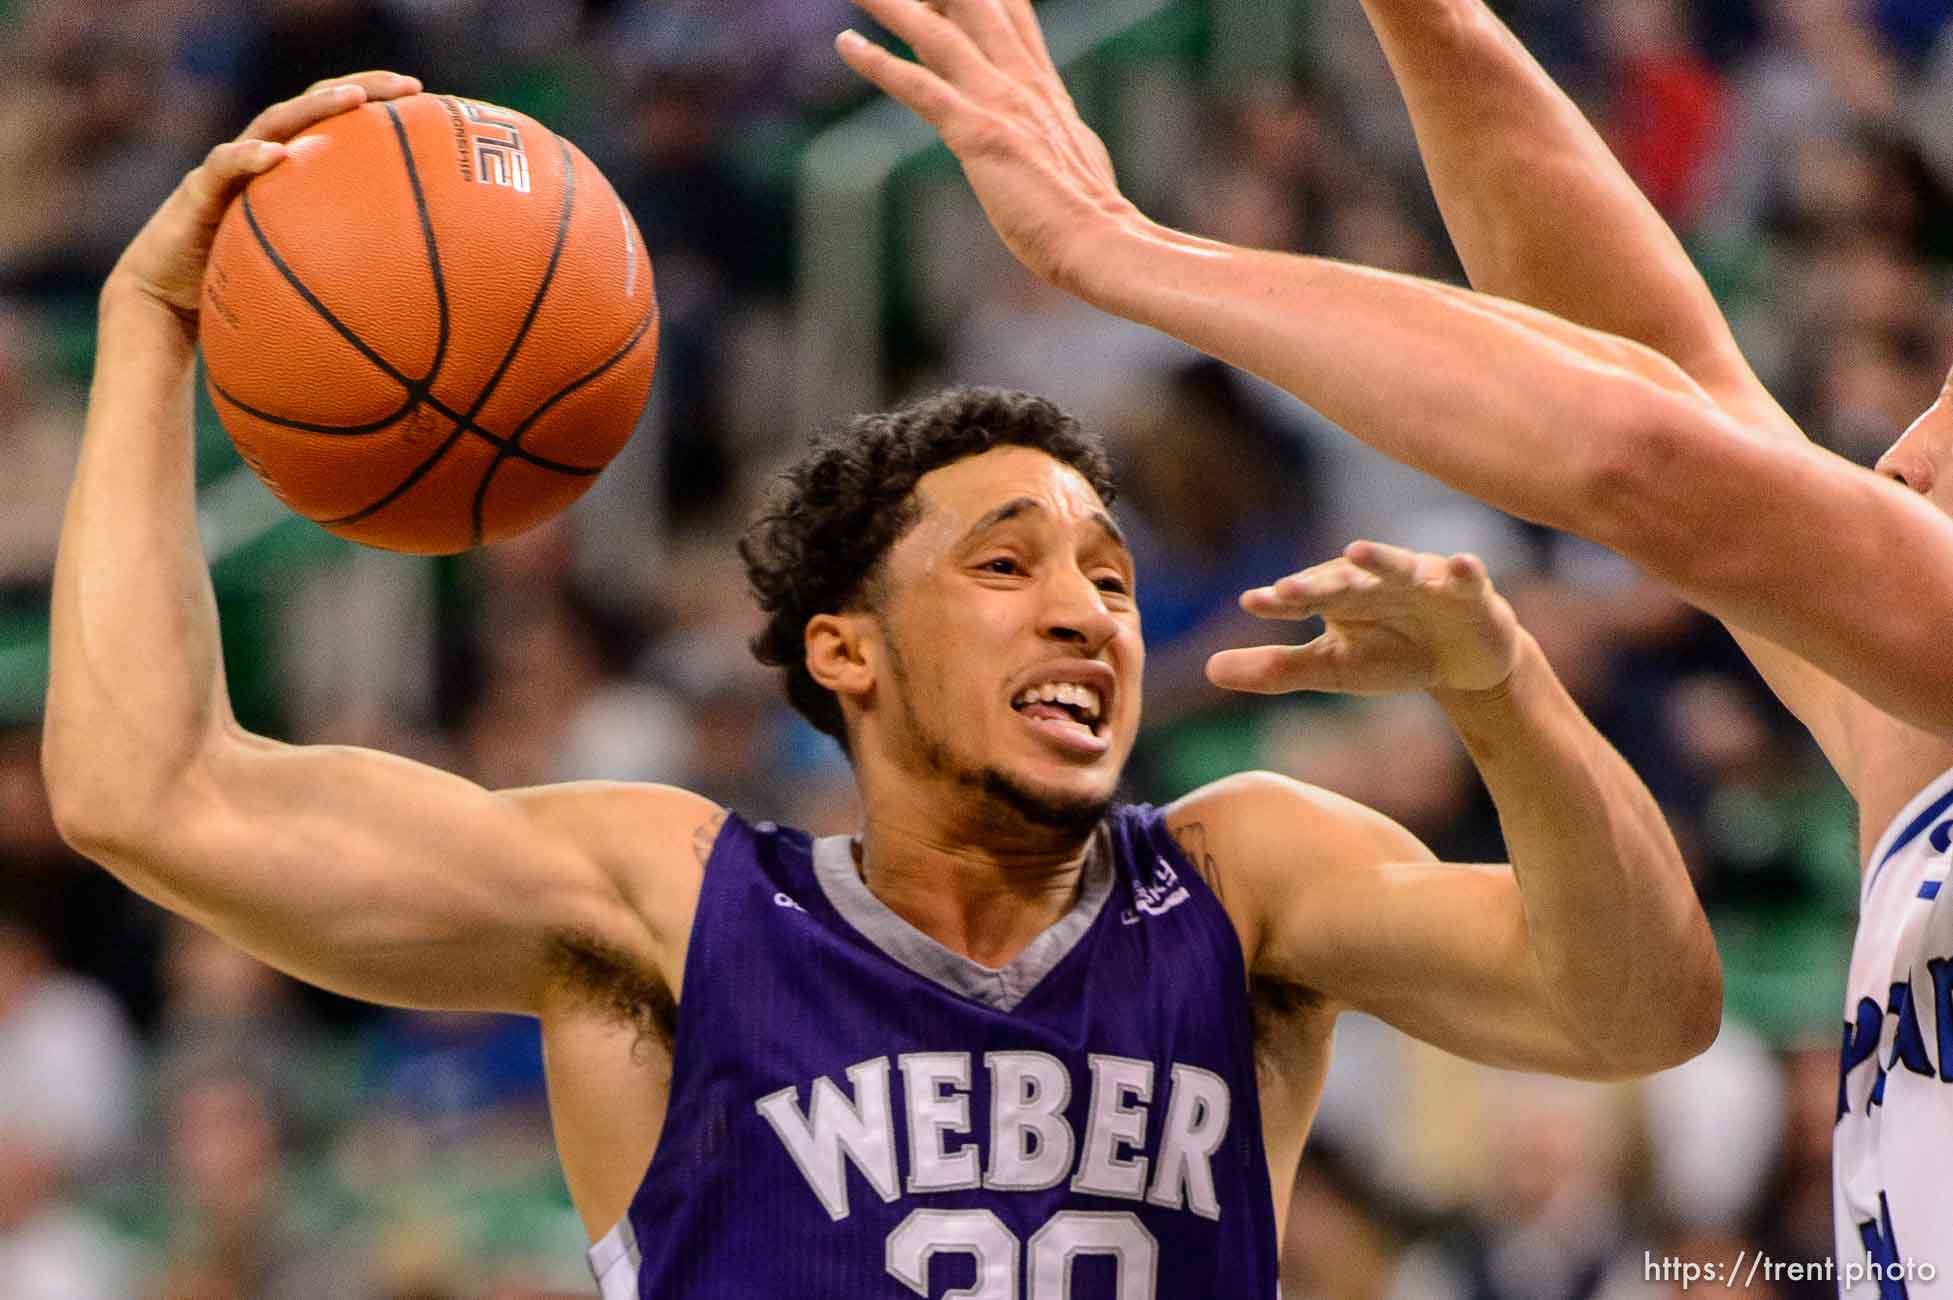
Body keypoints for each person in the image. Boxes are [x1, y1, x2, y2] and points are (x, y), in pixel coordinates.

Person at [37, 73, 1720, 1299]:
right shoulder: (665, 912)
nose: (1084, 615)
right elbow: (146, 790)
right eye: (1006, 566)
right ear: (842, 649)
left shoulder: (1238, 882)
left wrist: (1505, 697)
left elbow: (1635, 1012)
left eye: (1111, 578)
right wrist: (146, 328)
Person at [831, 0, 1953, 1282]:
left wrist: (1126, 249)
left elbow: (1643, 456)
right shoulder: (1917, 735)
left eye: (1952, 420)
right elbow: (1663, 366)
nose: (1900, 460)